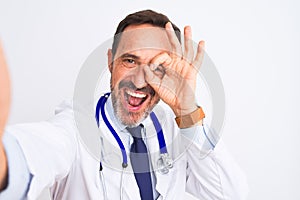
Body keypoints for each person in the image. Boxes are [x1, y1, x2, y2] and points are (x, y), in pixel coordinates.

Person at [0, 10, 248, 200]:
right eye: (130, 60)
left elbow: (230, 194)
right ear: (110, 61)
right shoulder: (76, 126)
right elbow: (35, 152)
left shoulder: (174, 130)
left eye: (157, 67)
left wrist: (187, 111)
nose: (140, 81)